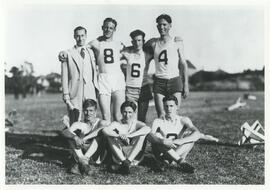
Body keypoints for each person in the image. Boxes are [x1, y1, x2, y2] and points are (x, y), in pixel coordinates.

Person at [148, 95, 218, 173]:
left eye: (171, 106)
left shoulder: (183, 119)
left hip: (176, 149)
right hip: (162, 151)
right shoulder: (158, 121)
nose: (169, 109)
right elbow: (149, 136)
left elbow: (197, 133)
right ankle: (181, 162)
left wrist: (181, 141)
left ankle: (166, 161)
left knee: (191, 139)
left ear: (176, 107)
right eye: (166, 106)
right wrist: (162, 141)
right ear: (163, 107)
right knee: (157, 137)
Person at [144, 14, 189, 119]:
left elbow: (183, 64)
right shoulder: (153, 43)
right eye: (159, 25)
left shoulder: (177, 41)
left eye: (164, 24)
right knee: (161, 115)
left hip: (175, 81)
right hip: (159, 82)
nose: (161, 27)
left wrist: (186, 84)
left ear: (170, 25)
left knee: (174, 115)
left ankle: (175, 135)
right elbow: (139, 47)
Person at [88, 18, 126, 122]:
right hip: (103, 79)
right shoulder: (96, 42)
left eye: (111, 28)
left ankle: (119, 137)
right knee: (106, 116)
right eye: (106, 27)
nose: (108, 30)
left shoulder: (119, 44)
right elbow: (83, 48)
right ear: (102, 28)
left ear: (114, 29)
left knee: (118, 116)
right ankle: (108, 138)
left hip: (118, 79)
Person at [59, 26, 98, 124]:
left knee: (91, 117)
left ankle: (89, 138)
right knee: (75, 118)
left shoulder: (91, 52)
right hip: (75, 91)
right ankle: (75, 138)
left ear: (86, 36)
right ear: (74, 37)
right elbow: (64, 77)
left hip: (90, 89)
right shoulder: (68, 54)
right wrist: (66, 94)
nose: (80, 38)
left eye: (82, 35)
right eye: (77, 36)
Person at [62, 99, 109, 175]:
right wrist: (75, 138)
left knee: (99, 136)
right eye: (86, 111)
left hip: (96, 155)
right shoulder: (80, 124)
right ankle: (85, 164)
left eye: (91, 111)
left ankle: (83, 162)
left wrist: (84, 138)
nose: (88, 113)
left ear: (95, 112)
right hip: (82, 153)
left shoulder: (100, 122)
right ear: (83, 111)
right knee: (71, 137)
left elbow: (104, 127)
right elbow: (65, 132)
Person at [102, 101, 151, 174]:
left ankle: (127, 162)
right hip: (120, 157)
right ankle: (124, 162)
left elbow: (148, 129)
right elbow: (105, 130)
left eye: (130, 112)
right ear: (121, 112)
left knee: (142, 135)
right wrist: (118, 136)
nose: (127, 115)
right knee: (110, 137)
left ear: (134, 113)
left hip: (134, 157)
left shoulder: (136, 123)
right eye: (125, 112)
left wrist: (129, 135)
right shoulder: (117, 124)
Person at [120, 29, 154, 121]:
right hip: (130, 89)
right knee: (130, 119)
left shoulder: (148, 54)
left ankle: (141, 135)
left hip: (144, 88)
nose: (137, 43)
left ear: (143, 41)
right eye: (134, 41)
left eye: (139, 40)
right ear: (132, 42)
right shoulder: (127, 53)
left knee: (141, 118)